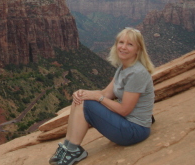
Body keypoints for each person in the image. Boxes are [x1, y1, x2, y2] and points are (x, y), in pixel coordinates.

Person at [49, 27, 155, 165]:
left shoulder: (136, 73)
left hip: (134, 131)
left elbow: (124, 110)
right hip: (126, 123)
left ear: (138, 49)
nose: (123, 47)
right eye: (121, 42)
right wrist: (83, 92)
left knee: (86, 103)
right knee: (81, 98)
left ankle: (74, 150)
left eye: (130, 44)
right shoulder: (123, 68)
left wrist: (96, 98)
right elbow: (106, 93)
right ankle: (68, 146)